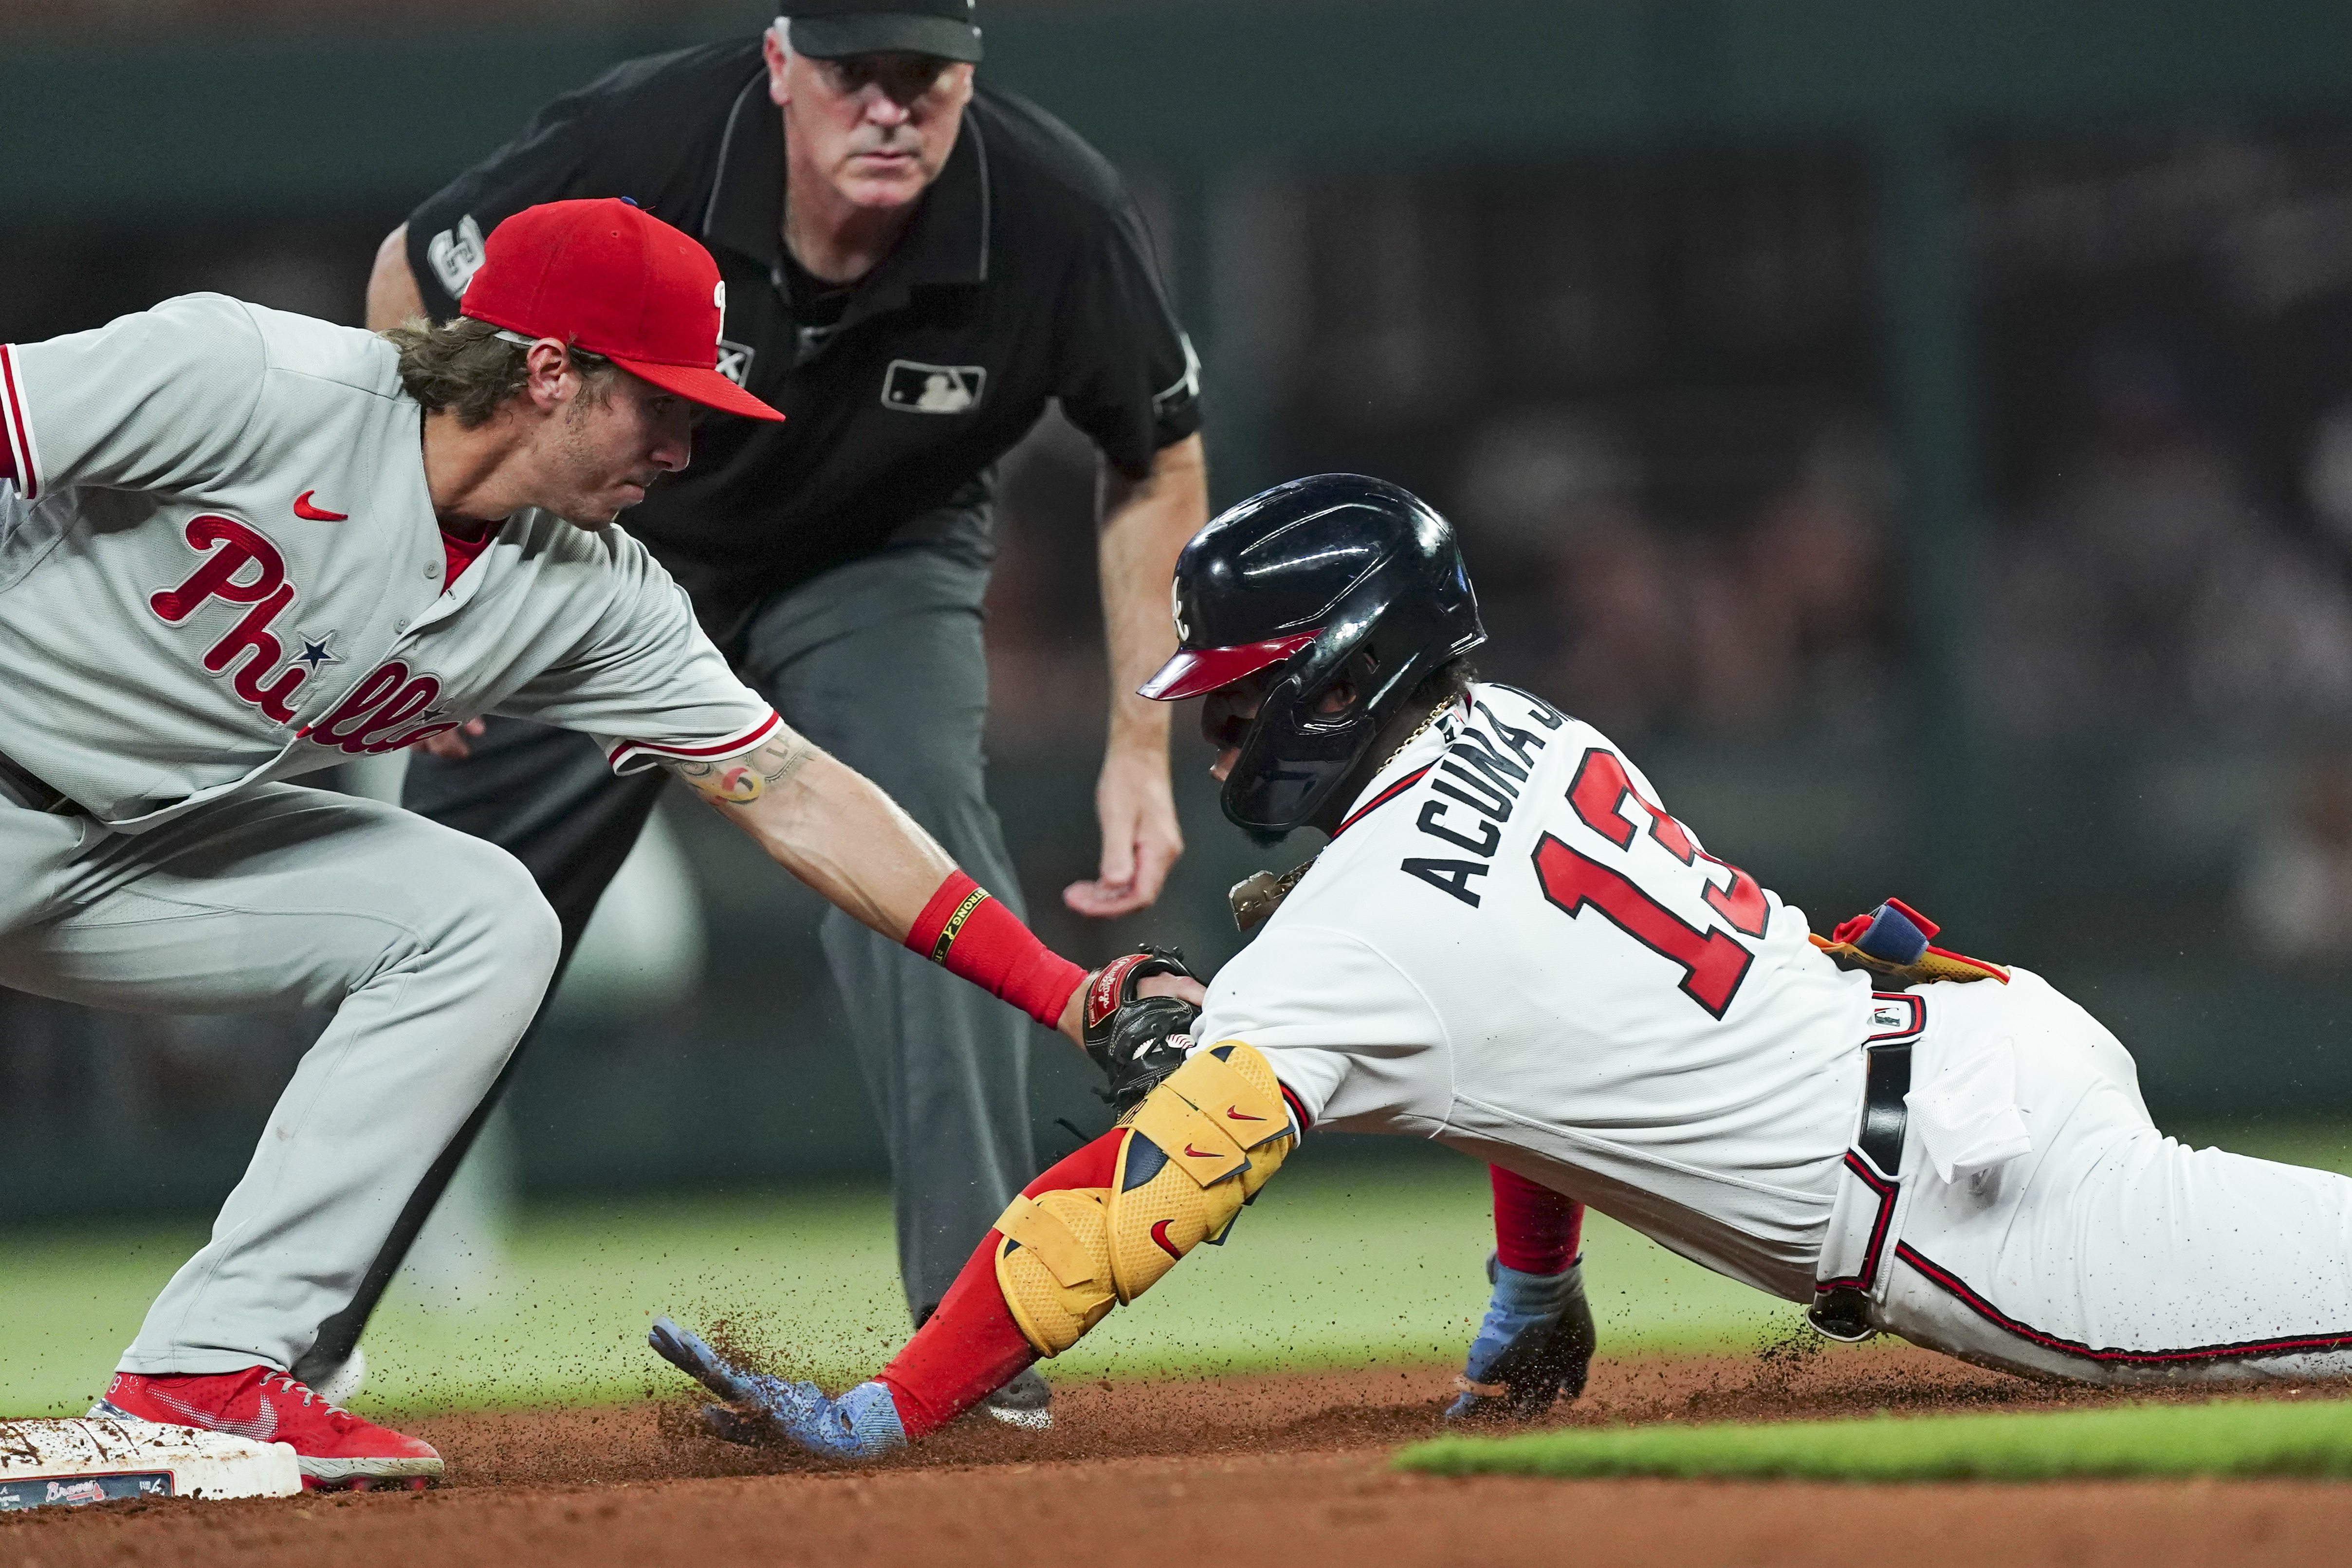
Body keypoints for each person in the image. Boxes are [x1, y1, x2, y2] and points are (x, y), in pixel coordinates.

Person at [648, 472, 2352, 1459]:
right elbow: (1532, 1042)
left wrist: (896, 1403)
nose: (1223, 728)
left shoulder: (1353, 938)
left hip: (1989, 1209)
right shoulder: (1525, 723)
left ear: (1332, 674)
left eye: (1238, 691)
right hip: (1984, 1046)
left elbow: (1126, 1205)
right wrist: (1534, 1289)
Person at [0, 198, 1169, 1488]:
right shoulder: (254, 380)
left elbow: (799, 795)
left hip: (129, 854)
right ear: (548, 371)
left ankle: (208, 1370)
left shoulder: (593, 595)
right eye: (657, 405)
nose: (682, 447)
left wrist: (1069, 993)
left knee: (483, 917)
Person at [354, 0, 1208, 1424]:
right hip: (608, 541)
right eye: (853, 73)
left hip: (875, 551)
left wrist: (1139, 747)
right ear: (779, 62)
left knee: (924, 831)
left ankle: (974, 1339)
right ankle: (281, 1341)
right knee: (446, 915)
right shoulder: (650, 137)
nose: (888, 108)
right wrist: (412, 580)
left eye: (923, 77)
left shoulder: (1052, 212)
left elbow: (1156, 455)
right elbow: (410, 279)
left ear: (967, 79)